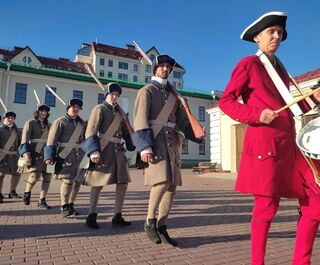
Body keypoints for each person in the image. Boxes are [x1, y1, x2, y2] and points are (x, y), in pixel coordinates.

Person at [218, 11, 320, 265]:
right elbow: (226, 102)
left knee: (316, 201)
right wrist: (255, 114)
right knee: (266, 209)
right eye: (271, 32)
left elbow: (291, 108)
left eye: (280, 32)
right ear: (257, 38)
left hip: (291, 145)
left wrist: (315, 98)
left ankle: (301, 261)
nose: (277, 36)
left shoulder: (280, 69)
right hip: (266, 145)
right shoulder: (248, 64)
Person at [133, 54, 205, 246]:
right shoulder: (146, 91)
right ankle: (149, 222)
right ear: (155, 68)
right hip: (155, 143)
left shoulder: (174, 95)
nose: (165, 69)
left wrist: (195, 134)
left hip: (172, 144)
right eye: (162, 66)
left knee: (171, 187)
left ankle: (162, 225)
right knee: (160, 182)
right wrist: (144, 146)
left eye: (168, 67)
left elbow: (181, 121)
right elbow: (140, 119)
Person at [82, 82, 135, 229]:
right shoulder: (99, 109)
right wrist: (93, 151)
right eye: (112, 94)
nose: (114, 97)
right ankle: (91, 215)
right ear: (106, 95)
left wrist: (134, 144)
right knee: (97, 183)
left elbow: (126, 132)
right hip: (103, 150)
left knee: (123, 183)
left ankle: (117, 216)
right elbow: (91, 130)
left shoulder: (120, 113)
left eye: (117, 95)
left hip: (118, 152)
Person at [44, 98, 86, 217]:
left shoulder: (82, 123)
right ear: (68, 108)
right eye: (74, 107)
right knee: (68, 181)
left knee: (77, 182)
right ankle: (64, 205)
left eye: (78, 107)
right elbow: (51, 140)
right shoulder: (60, 121)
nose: (76, 109)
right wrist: (49, 156)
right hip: (66, 154)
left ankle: (71, 204)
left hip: (80, 155)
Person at [19, 104, 52, 209]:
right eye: (41, 111)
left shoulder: (49, 125)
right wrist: (26, 153)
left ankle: (42, 200)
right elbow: (25, 139)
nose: (43, 113)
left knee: (47, 177)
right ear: (37, 112)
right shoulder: (30, 123)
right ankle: (27, 192)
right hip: (35, 152)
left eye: (45, 111)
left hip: (47, 153)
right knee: (34, 176)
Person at [0, 111, 21, 203]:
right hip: (2, 156)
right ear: (4, 119)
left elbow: (19, 142)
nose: (10, 119)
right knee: (1, 175)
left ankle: (12, 192)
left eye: (12, 118)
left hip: (14, 156)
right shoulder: (0, 129)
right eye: (8, 117)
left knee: (17, 174)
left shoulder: (16, 130)